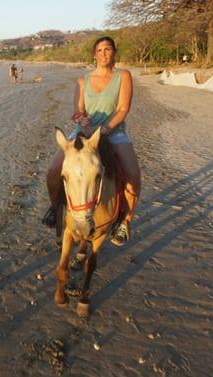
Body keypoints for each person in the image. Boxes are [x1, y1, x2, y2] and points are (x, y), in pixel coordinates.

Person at [44, 36, 141, 246]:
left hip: (113, 133)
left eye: (108, 49)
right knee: (53, 170)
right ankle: (55, 208)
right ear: (94, 54)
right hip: (82, 133)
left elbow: (123, 109)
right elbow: (78, 111)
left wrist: (104, 130)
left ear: (114, 52)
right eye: (100, 50)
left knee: (133, 175)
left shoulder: (123, 76)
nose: (104, 54)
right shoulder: (82, 81)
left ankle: (125, 221)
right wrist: (83, 120)